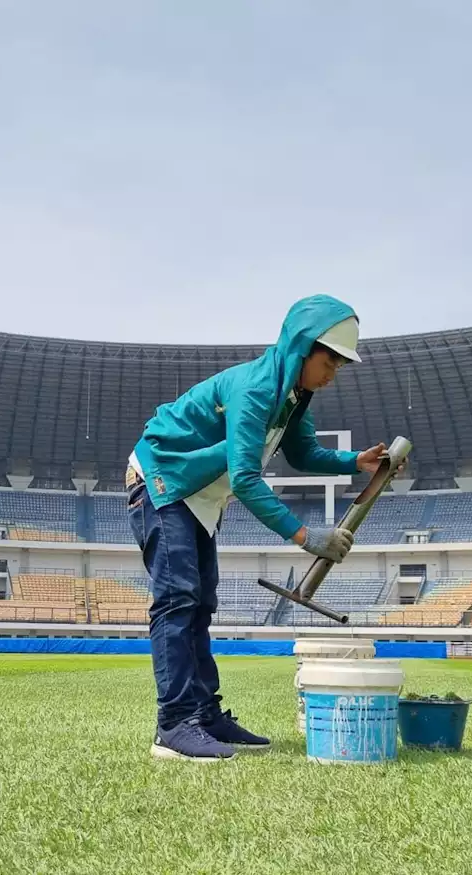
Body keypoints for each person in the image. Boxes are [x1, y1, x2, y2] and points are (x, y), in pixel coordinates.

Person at [126, 295, 389, 761]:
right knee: (178, 599)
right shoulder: (254, 389)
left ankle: (204, 716)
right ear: (302, 348)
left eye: (340, 366)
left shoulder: (290, 399)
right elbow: (246, 478)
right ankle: (173, 726)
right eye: (329, 361)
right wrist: (308, 538)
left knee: (201, 602)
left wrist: (354, 461)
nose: (333, 375)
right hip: (164, 483)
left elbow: (303, 454)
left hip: (200, 495)